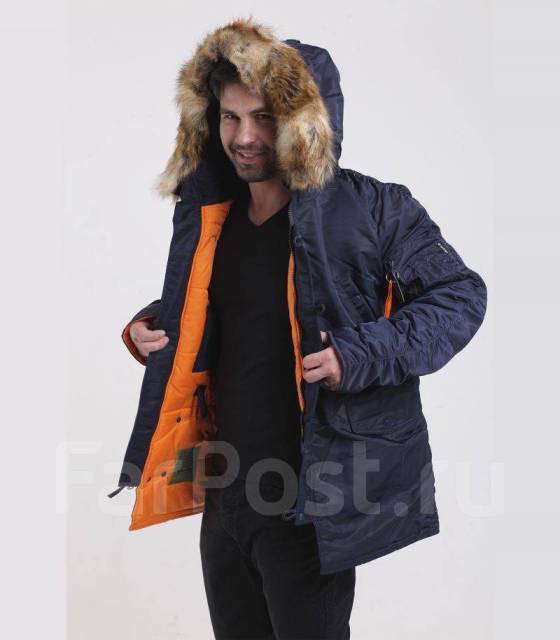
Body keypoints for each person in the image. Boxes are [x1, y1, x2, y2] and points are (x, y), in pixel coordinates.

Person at [110, 17, 487, 639]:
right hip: (227, 498)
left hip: (311, 501)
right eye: (230, 117)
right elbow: (231, 310)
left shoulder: (374, 208)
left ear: (303, 122)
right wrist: (150, 326)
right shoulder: (214, 217)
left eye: (263, 118)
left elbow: (460, 297)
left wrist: (357, 352)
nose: (245, 136)